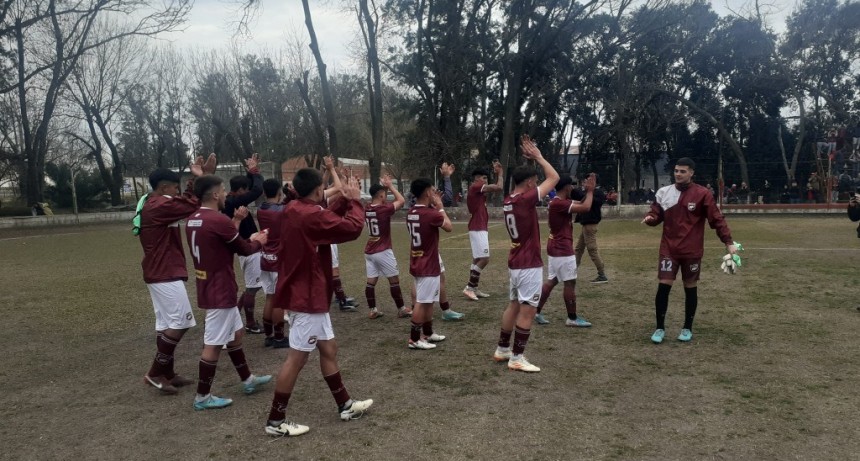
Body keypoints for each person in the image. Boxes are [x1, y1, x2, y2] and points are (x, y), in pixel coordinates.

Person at [265, 170, 373, 437]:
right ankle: (276, 421)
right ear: (316, 191)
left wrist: (345, 200)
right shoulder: (307, 213)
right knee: (297, 358)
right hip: (307, 295)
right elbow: (350, 228)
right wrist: (356, 201)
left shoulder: (295, 207)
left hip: (310, 293)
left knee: (329, 348)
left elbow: (323, 216)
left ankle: (345, 405)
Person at [185, 174, 272, 410]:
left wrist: (235, 222)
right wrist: (259, 240)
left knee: (236, 335)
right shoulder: (217, 220)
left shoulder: (193, 219)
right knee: (213, 345)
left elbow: (219, 245)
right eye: (222, 191)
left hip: (209, 285)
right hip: (219, 289)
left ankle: (248, 379)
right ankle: (202, 397)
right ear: (214, 195)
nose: (225, 194)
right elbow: (243, 250)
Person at [139, 154, 214, 395]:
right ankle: (154, 373)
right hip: (164, 272)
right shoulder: (159, 205)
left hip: (159, 271)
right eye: (174, 187)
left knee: (166, 325)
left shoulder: (155, 203)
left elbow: (184, 200)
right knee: (181, 322)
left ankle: (167, 374)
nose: (177, 190)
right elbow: (190, 204)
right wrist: (202, 179)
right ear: (163, 188)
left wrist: (196, 178)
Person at [641, 157, 737, 344]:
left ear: (692, 173)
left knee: (690, 288)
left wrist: (728, 241)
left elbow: (716, 219)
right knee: (664, 285)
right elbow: (656, 214)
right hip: (669, 249)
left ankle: (687, 328)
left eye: (682, 171)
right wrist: (650, 218)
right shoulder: (664, 192)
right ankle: (659, 328)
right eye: (676, 171)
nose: (678, 174)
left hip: (692, 251)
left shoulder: (702, 194)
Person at [492, 135, 559, 373]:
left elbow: (529, 181)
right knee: (528, 309)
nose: (536, 184)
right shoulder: (525, 199)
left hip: (515, 261)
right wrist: (539, 157)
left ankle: (502, 349)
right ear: (530, 183)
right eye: (534, 181)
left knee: (513, 305)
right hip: (528, 263)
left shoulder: (510, 199)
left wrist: (529, 162)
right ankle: (517, 357)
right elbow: (555, 178)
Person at [534, 174, 595, 326]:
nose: (573, 188)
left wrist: (587, 190)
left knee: (552, 280)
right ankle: (572, 318)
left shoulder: (558, 201)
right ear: (567, 187)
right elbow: (586, 207)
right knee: (570, 282)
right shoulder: (559, 204)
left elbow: (580, 202)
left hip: (555, 246)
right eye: (571, 186)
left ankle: (535, 311)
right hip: (562, 248)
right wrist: (591, 191)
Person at [406, 178, 453, 350]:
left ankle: (427, 332)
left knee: (428, 300)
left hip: (417, 260)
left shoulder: (411, 212)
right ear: (427, 193)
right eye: (432, 190)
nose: (434, 193)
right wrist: (440, 206)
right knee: (423, 301)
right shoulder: (431, 214)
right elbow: (448, 226)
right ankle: (414, 339)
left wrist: (434, 208)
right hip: (428, 263)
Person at [223, 153, 265, 333]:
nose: (248, 194)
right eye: (245, 190)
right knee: (253, 288)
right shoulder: (232, 201)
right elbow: (256, 191)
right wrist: (255, 172)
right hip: (248, 247)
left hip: (247, 246)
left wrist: (251, 172)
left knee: (252, 286)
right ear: (240, 190)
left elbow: (250, 189)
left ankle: (238, 315)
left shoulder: (234, 198)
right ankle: (250, 323)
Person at [364, 175, 412, 319]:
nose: (386, 196)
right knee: (394, 280)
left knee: (371, 282)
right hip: (382, 250)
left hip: (369, 250)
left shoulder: (367, 208)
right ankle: (402, 309)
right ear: (380, 195)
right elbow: (402, 201)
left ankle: (373, 310)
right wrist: (390, 185)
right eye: (384, 193)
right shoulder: (383, 209)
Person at [256, 178, 297, 349]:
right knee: (279, 300)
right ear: (279, 192)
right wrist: (291, 193)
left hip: (265, 257)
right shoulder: (282, 210)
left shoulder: (260, 209)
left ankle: (269, 335)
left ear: (264, 192)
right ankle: (280, 337)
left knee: (270, 298)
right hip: (279, 259)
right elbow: (293, 204)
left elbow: (281, 205)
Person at [463, 159, 504, 301]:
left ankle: (473, 288)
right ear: (478, 178)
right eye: (485, 178)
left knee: (477, 258)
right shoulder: (477, 186)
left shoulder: (477, 190)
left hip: (477, 226)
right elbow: (499, 187)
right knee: (485, 259)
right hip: (477, 227)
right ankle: (469, 287)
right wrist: (500, 173)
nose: (486, 181)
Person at [573, 174, 609, 284]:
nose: (586, 182)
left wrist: (589, 191)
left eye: (589, 180)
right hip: (586, 225)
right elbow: (579, 197)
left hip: (590, 225)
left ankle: (602, 275)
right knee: (578, 249)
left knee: (592, 250)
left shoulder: (597, 193)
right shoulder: (589, 192)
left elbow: (595, 202)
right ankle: (571, 272)